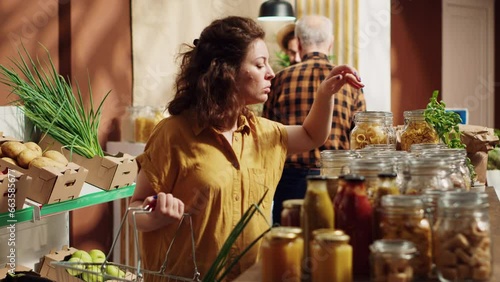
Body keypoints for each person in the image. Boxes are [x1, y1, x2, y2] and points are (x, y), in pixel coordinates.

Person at [129, 16, 363, 281]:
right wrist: (157, 215)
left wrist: (325, 94)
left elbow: (312, 135)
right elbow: (135, 210)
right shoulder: (173, 133)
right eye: (260, 64)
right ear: (226, 72)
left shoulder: (262, 132)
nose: (271, 73)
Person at [262, 15, 367, 224]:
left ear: (298, 43)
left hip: (290, 181)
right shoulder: (348, 81)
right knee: (332, 243)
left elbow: (267, 134)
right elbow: (361, 138)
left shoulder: (280, 79)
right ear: (331, 42)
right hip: (335, 180)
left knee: (291, 245)